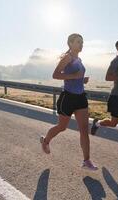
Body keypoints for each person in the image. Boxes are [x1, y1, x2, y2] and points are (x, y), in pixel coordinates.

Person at [40, 33, 98, 171]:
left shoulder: (79, 59)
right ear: (70, 44)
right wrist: (74, 76)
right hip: (68, 97)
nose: (81, 44)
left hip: (80, 97)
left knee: (84, 129)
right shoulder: (68, 57)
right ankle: (46, 141)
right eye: (78, 42)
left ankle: (86, 160)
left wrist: (81, 80)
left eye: (82, 42)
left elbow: (76, 77)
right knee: (62, 127)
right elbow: (55, 74)